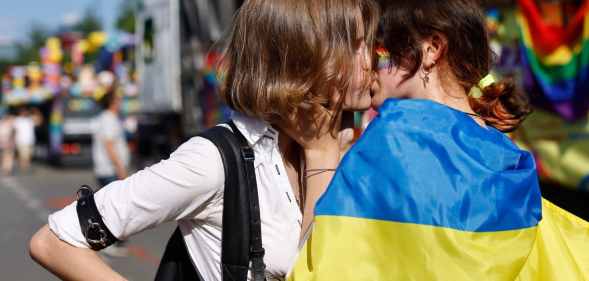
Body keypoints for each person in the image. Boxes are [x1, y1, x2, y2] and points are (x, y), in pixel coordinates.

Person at [29, 0, 378, 280]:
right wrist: (322, 154)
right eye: (355, 45)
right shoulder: (215, 161)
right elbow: (55, 241)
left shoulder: (337, 145)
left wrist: (324, 154)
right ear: (302, 55)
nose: (371, 60)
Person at [289, 1, 589, 280]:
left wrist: (320, 153)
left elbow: (322, 266)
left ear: (432, 49)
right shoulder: (509, 158)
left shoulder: (394, 141)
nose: (368, 66)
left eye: (379, 50)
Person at [13, 107, 40, 172]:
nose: (24, 113)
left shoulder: (29, 120)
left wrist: (37, 112)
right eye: (23, 112)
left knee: (29, 155)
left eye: (25, 112)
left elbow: (38, 122)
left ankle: (24, 166)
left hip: (30, 140)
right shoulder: (17, 120)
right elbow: (14, 130)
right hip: (21, 140)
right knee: (23, 155)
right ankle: (24, 167)